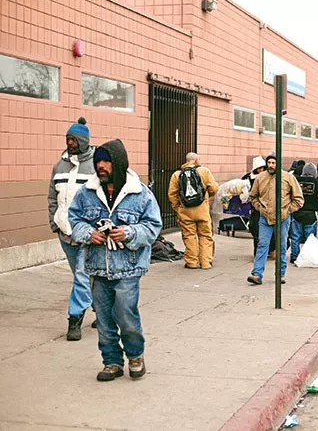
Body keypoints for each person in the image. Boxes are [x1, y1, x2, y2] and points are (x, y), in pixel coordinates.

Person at [69, 139, 162, 381]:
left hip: (128, 270)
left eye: (106, 161)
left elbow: (153, 226)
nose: (101, 166)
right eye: (98, 161)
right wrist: (89, 233)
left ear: (118, 163)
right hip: (98, 268)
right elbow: (74, 219)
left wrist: (130, 232)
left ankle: (135, 356)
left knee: (126, 316)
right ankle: (111, 362)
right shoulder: (87, 193)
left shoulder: (140, 194)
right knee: (103, 320)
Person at [48, 117, 97, 341]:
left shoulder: (97, 165)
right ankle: (103, 312)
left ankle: (74, 320)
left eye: (74, 139)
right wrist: (53, 222)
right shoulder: (59, 165)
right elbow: (52, 197)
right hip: (64, 234)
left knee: (81, 276)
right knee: (86, 276)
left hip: (87, 234)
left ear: (84, 141)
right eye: (68, 138)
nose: (70, 142)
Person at [247, 154, 304, 285]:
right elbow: (253, 196)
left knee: (282, 246)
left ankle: (280, 273)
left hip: (283, 218)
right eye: (269, 163)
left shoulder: (288, 178)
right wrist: (260, 209)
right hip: (265, 217)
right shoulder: (260, 178)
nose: (271, 165)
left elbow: (299, 199)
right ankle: (257, 273)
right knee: (262, 245)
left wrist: (288, 210)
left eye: (273, 162)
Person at [167, 153, 219, 269]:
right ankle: (206, 262)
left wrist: (178, 208)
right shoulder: (204, 171)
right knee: (205, 235)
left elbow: (172, 194)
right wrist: (206, 197)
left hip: (185, 211)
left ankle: (192, 262)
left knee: (189, 236)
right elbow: (214, 188)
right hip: (202, 211)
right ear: (195, 160)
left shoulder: (177, 174)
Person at [291, 163, 318, 263]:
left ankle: (294, 256)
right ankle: (308, 257)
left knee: (295, 237)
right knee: (310, 238)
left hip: (297, 212)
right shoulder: (317, 183)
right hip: (311, 213)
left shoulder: (297, 181)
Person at [242, 156, 267, 256]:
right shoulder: (248, 178)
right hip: (255, 207)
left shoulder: (266, 176)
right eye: (259, 168)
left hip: (265, 206)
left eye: (262, 168)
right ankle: (258, 252)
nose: (261, 170)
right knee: (255, 229)